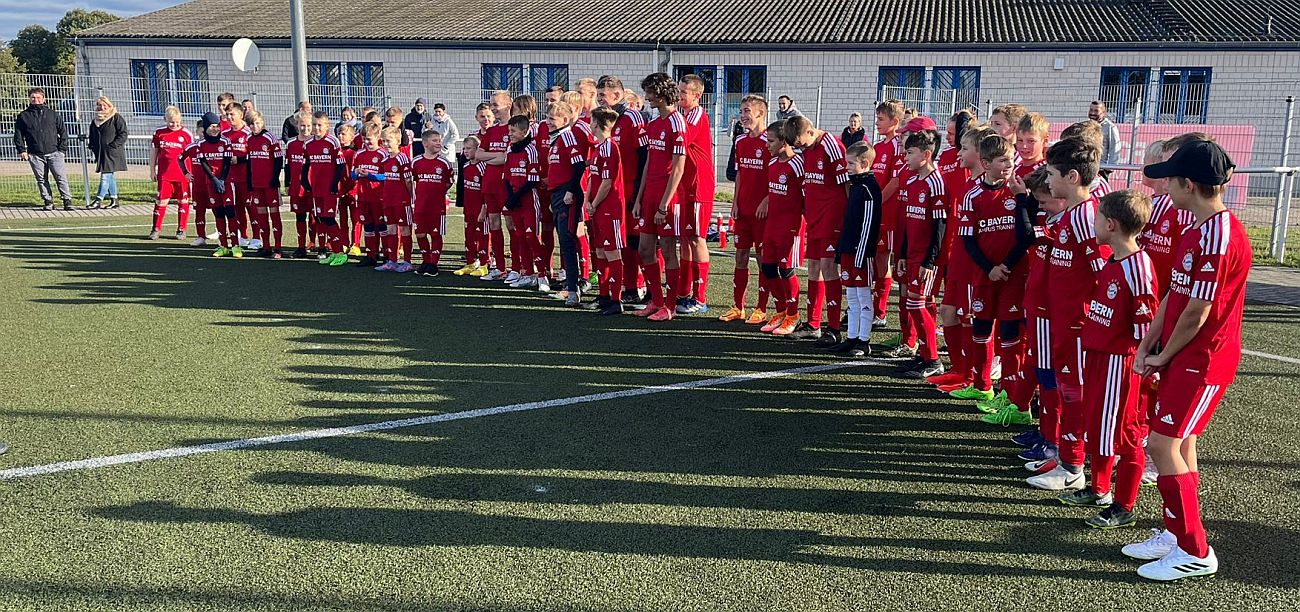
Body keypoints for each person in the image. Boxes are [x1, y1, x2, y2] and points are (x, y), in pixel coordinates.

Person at [1127, 139, 1248, 581]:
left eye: (1171, 178)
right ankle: (1177, 533)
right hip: (1185, 355)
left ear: (1188, 184)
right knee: (1181, 444)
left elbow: (1198, 312)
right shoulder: (1196, 227)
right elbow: (1174, 296)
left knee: (1161, 444)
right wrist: (1149, 345)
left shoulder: (1218, 233)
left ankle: (1196, 549)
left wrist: (1163, 355)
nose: (1164, 185)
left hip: (1205, 360)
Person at [1066, 189, 1158, 529]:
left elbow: (1146, 322)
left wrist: (1144, 363)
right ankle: (1099, 487)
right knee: (1098, 425)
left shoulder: (1138, 266)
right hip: (1099, 356)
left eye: (1096, 218)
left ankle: (1124, 505)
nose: (1092, 222)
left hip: (1121, 363)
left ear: (1111, 224)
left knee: (1125, 431)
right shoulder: (1112, 259)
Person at [1025, 136, 1112, 492]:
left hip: (1078, 323)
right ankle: (1064, 454)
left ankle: (1074, 465)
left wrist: (1090, 317)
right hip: (1062, 319)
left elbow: (1104, 272)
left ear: (1072, 177)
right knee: (1064, 388)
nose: (1047, 179)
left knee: (1074, 391)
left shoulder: (1085, 217)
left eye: (1051, 172)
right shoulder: (1071, 214)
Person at [953, 134, 1033, 405]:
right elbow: (968, 240)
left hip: (1014, 274)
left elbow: (1026, 236)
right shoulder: (971, 194)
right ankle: (982, 385)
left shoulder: (1020, 192)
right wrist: (989, 268)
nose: (1009, 164)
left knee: (1010, 334)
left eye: (1011, 159)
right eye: (1003, 160)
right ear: (985, 164)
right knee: (981, 329)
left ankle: (1009, 396)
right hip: (984, 275)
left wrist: (1006, 266)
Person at [784, 115, 850, 345]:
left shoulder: (831, 145)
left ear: (810, 131)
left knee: (828, 267)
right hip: (814, 217)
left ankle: (833, 328)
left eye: (801, 143)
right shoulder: (806, 148)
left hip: (832, 217)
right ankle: (813, 324)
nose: (800, 148)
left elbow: (846, 183)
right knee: (813, 267)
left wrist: (849, 218)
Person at [632, 72, 688, 322]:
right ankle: (655, 300)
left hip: (668, 197)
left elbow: (678, 167)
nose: (647, 97)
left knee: (667, 249)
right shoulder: (653, 124)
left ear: (663, 92)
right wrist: (639, 198)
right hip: (650, 195)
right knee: (645, 250)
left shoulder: (677, 123)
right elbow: (648, 164)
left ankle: (671, 306)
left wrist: (665, 204)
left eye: (651, 92)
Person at [893, 127, 948, 379]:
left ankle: (934, 359)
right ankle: (923, 355)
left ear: (926, 154)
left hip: (926, 257)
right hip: (912, 254)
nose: (905, 157)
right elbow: (908, 222)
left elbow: (939, 225)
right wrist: (903, 254)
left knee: (917, 304)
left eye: (910, 152)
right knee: (914, 303)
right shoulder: (914, 180)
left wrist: (929, 260)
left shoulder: (936, 182)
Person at [719, 95, 771, 324]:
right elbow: (740, 173)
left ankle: (761, 307)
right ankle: (737, 306)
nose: (742, 115)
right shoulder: (740, 141)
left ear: (760, 113)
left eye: (747, 111)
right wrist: (735, 202)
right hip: (744, 210)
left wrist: (767, 201)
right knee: (740, 255)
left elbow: (779, 174)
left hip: (763, 213)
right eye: (741, 111)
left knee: (761, 258)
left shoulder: (771, 140)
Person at [831, 141, 882, 357]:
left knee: (863, 298)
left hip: (861, 253)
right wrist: (840, 251)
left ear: (865, 163)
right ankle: (852, 337)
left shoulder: (870, 189)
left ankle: (864, 341)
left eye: (851, 163)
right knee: (851, 297)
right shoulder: (855, 186)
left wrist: (861, 254)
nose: (847, 167)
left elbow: (869, 225)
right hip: (848, 251)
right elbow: (849, 222)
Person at [758, 121, 806, 337]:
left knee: (786, 270)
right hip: (772, 225)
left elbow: (806, 196)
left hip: (791, 226)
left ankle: (793, 315)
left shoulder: (798, 165)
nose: (766, 145)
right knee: (767, 267)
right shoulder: (772, 163)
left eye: (770, 141)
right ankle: (781, 310)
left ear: (784, 141)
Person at [676, 74, 715, 316]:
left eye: (683, 93)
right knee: (687, 238)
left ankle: (700, 297)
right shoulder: (682, 115)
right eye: (679, 92)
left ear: (696, 95)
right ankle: (685, 292)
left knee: (698, 238)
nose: (679, 97)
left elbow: (680, 139)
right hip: (685, 185)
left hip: (699, 185)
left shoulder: (697, 115)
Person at [546, 100, 588, 303]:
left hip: (566, 194)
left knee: (568, 240)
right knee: (563, 241)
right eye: (547, 118)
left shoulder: (568, 137)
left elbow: (579, 165)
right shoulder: (556, 139)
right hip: (557, 194)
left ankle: (574, 288)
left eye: (552, 119)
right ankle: (572, 285)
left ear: (565, 119)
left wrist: (571, 190)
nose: (549, 122)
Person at [585, 106, 627, 315]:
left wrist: (594, 202)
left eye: (591, 120)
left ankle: (615, 299)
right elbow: (594, 176)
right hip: (598, 207)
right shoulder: (599, 147)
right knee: (600, 250)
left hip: (609, 207)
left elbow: (608, 181)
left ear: (596, 123)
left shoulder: (610, 146)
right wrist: (587, 200)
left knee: (612, 252)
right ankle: (603, 295)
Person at [503, 114, 548, 288]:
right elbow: (507, 177)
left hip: (528, 200)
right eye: (509, 131)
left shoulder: (530, 149)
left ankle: (542, 275)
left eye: (513, 131)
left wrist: (516, 197)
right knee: (520, 237)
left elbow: (532, 180)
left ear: (524, 131)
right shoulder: (509, 149)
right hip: (515, 202)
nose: (510, 134)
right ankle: (528, 273)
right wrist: (510, 198)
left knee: (531, 237)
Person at [184, 112, 237, 257]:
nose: (215, 129)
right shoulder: (200, 144)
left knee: (231, 213)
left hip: (226, 182)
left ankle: (236, 246)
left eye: (217, 126)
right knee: (218, 214)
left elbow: (227, 163)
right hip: (211, 183)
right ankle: (223, 246)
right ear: (206, 127)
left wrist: (222, 180)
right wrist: (214, 180)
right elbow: (204, 164)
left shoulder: (225, 142)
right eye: (212, 126)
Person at [302, 112, 349, 266]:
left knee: (329, 219)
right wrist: (304, 180)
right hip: (317, 188)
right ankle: (333, 252)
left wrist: (335, 184)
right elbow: (306, 164)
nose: (316, 128)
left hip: (330, 189)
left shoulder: (332, 142)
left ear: (327, 125)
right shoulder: (308, 143)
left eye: (319, 125)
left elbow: (341, 166)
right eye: (314, 124)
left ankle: (340, 252)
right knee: (321, 218)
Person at [14, 87, 72, 211]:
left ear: (43, 99)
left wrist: (62, 150)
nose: (36, 100)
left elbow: (63, 132)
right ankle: (48, 201)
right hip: (35, 154)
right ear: (30, 99)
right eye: (33, 98)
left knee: (60, 176)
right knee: (41, 179)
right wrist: (22, 150)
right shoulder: (23, 116)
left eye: (38, 97)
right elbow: (18, 135)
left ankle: (67, 200)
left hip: (54, 152)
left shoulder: (52, 114)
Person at [411, 130, 455, 277]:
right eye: (435, 140)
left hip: (437, 206)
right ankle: (425, 261)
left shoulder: (444, 162)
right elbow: (413, 180)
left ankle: (433, 264)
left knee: (435, 234)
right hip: (420, 205)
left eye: (439, 140)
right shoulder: (416, 162)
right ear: (425, 143)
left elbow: (449, 182)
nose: (438, 143)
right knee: (421, 233)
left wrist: (438, 192)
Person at [149, 106, 195, 240]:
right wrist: (152, 169)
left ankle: (181, 229)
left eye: (177, 122)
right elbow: (154, 152)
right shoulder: (159, 133)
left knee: (183, 200)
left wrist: (192, 173)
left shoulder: (187, 134)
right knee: (161, 201)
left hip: (182, 175)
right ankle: (156, 229)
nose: (174, 125)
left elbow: (192, 155)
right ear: (165, 119)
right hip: (165, 175)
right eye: (171, 122)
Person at [244, 110, 284, 258]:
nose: (255, 126)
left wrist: (275, 178)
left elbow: (279, 160)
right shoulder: (249, 139)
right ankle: (266, 246)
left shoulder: (270, 138)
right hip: (257, 184)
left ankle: (278, 248)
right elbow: (249, 163)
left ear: (262, 122)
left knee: (274, 215)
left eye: (258, 123)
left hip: (270, 184)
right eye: (252, 124)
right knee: (261, 215)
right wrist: (249, 182)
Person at [375, 127, 415, 272]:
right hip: (388, 200)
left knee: (405, 229)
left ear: (398, 141)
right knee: (391, 229)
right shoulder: (385, 159)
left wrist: (412, 198)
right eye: (383, 141)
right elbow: (384, 179)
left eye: (389, 141)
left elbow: (408, 181)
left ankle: (407, 261)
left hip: (402, 201)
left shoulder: (402, 158)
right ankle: (392, 260)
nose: (385, 144)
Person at [351, 124, 389, 267]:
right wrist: (356, 173)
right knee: (367, 226)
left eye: (369, 139)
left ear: (378, 137)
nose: (366, 142)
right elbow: (352, 175)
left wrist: (371, 176)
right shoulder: (359, 154)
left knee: (382, 226)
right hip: (363, 196)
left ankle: (387, 255)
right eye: (364, 139)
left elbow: (387, 175)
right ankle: (370, 255)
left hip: (379, 197)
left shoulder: (383, 154)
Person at [453, 135, 490, 276]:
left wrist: (483, 209)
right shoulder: (466, 166)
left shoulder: (483, 167)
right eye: (464, 148)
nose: (465, 151)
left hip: (480, 209)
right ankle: (470, 262)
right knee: (469, 235)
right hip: (469, 208)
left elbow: (485, 191)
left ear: (477, 149)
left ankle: (484, 263)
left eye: (469, 148)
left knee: (483, 236)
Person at [87, 95, 128, 210]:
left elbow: (123, 133)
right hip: (101, 153)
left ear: (109, 105)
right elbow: (92, 135)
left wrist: (114, 145)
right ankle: (114, 200)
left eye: (104, 105)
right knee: (109, 176)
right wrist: (92, 146)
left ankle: (98, 200)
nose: (102, 107)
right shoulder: (95, 121)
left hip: (112, 153)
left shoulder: (116, 117)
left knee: (105, 176)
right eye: (100, 105)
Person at [283, 113, 313, 258]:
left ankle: (316, 245)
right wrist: (287, 183)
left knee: (315, 217)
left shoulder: (314, 143)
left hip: (312, 188)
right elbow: (287, 166)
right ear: (297, 125)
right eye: (302, 125)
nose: (305, 129)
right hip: (296, 187)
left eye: (308, 125)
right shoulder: (291, 144)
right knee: (300, 217)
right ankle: (301, 247)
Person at [1090, 100, 1122, 166]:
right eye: (1091, 110)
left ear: (1103, 113)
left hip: (1101, 167)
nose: (1092, 113)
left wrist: (1109, 168)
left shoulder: (1110, 127)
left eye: (1096, 111)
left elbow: (1115, 148)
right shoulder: (1086, 126)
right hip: (1087, 166)